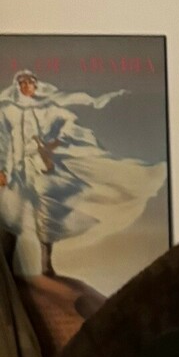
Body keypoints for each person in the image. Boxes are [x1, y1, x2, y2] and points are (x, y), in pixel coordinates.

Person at [0, 70, 165, 280]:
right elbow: (3, 140)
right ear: (17, 86)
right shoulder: (7, 110)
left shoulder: (48, 108)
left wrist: (52, 144)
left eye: (29, 83)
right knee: (12, 212)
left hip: (40, 165)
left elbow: (66, 122)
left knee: (47, 210)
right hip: (16, 169)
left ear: (35, 85)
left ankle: (45, 262)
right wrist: (2, 169)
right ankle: (8, 265)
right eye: (22, 83)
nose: (26, 87)